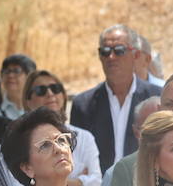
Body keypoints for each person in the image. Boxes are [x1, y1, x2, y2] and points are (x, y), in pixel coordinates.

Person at [69, 24, 161, 173]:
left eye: (119, 50)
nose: (111, 57)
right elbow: (78, 160)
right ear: (99, 56)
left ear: (136, 55)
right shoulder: (83, 105)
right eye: (105, 51)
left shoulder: (157, 99)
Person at [19, 69, 102, 186]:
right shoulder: (21, 141)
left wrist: (44, 182)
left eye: (55, 88)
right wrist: (79, 182)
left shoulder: (85, 137)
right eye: (41, 91)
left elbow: (96, 185)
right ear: (28, 101)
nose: (50, 94)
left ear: (63, 95)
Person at [98, 96, 160, 186]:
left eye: (164, 128)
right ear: (137, 133)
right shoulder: (116, 174)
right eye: (150, 129)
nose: (159, 135)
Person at [0, 53, 35, 121]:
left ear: (29, 76)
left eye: (16, 71)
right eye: (6, 71)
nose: (10, 75)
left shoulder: (39, 106)